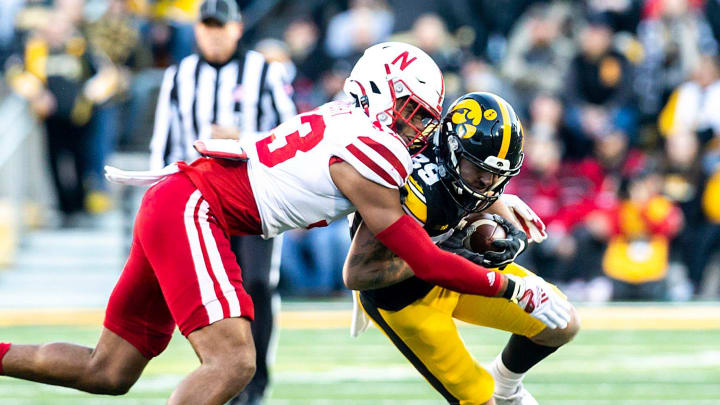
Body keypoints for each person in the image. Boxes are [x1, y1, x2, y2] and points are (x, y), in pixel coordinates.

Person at [0, 42, 568, 405]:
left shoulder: (350, 125)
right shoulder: (371, 148)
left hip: (178, 199)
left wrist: (495, 204)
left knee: (109, 370)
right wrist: (508, 284)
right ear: (379, 95)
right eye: (413, 112)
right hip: (193, 206)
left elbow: (437, 172)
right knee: (234, 362)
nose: (420, 128)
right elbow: (421, 257)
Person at [344, 93, 579, 405]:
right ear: (453, 151)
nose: (488, 181)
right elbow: (358, 274)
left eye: (498, 174)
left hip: (456, 273)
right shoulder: (417, 185)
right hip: (405, 299)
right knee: (480, 401)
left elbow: (478, 188)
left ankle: (505, 385)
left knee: (562, 325)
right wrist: (443, 248)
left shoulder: (470, 169)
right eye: (480, 170)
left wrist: (507, 233)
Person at [147, 1, 296, 403]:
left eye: (221, 26)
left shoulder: (265, 71)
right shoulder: (180, 76)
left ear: (237, 27)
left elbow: (292, 134)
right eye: (207, 26)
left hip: (256, 196)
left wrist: (243, 138)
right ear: (197, 30)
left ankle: (257, 380)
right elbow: (164, 144)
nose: (214, 33)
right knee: (216, 293)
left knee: (257, 283)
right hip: (199, 202)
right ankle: (226, 376)